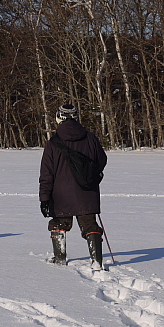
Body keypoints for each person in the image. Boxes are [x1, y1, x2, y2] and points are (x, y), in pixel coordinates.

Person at [39, 104, 107, 270]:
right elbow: (102, 160)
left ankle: (60, 258)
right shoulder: (90, 138)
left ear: (59, 118)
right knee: (90, 226)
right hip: (87, 192)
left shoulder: (54, 142)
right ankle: (96, 262)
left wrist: (44, 199)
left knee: (58, 224)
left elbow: (46, 173)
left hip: (61, 194)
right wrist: (90, 175)